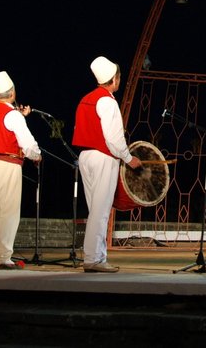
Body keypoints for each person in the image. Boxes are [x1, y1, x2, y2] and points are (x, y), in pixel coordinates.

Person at [72, 57, 141, 273]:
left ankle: (96, 256)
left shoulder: (86, 99)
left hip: (86, 156)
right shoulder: (108, 101)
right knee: (100, 211)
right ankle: (94, 259)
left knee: (95, 209)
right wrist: (129, 158)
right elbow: (113, 138)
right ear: (114, 79)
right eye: (119, 77)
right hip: (103, 156)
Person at [0, 71, 42, 270]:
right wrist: (36, 155)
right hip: (8, 164)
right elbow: (27, 143)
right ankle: (3, 256)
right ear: (12, 93)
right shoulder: (12, 114)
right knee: (8, 211)